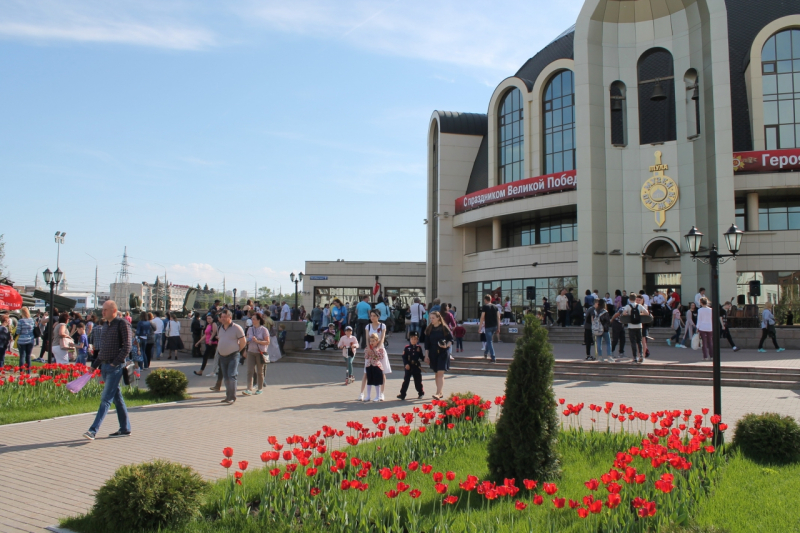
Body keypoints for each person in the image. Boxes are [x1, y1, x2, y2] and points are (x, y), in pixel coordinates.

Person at [83, 300, 133, 440]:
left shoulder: (122, 324)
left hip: (114, 367)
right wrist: (94, 365)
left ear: (114, 311)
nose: (103, 312)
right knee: (117, 398)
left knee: (106, 398)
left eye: (105, 309)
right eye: (103, 309)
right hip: (104, 366)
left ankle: (93, 430)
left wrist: (115, 363)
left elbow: (127, 346)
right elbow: (103, 349)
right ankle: (125, 428)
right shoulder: (105, 325)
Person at [215, 309, 246, 404]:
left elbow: (243, 341)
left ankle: (232, 397)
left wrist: (238, 350)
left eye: (225, 317)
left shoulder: (237, 328)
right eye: (222, 317)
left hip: (233, 355)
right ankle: (228, 396)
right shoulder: (220, 328)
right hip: (222, 356)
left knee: (231, 375)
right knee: (226, 377)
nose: (223, 319)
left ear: (230, 317)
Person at [359, 310, 392, 401]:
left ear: (378, 316)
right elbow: (367, 338)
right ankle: (362, 393)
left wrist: (377, 348)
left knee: (382, 372)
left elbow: (382, 338)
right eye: (371, 316)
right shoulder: (368, 326)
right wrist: (369, 348)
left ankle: (381, 393)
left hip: (379, 350)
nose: (372, 317)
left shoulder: (382, 326)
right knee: (366, 372)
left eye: (374, 316)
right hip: (370, 351)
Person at [424, 311, 452, 400]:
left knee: (440, 373)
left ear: (438, 318)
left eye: (433, 318)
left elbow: (451, 340)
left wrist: (446, 346)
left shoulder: (444, 328)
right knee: (436, 374)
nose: (431, 320)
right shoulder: (429, 329)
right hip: (433, 353)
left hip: (443, 353)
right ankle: (440, 392)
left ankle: (438, 393)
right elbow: (427, 344)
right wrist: (426, 355)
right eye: (430, 318)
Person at [243, 312, 270, 396]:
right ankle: (249, 388)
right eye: (252, 319)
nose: (252, 320)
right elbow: (247, 338)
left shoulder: (264, 330)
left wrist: (257, 341)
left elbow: (267, 342)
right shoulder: (250, 329)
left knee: (260, 371)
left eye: (254, 319)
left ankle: (260, 388)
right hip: (251, 351)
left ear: (258, 320)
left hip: (260, 352)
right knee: (250, 371)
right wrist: (247, 342)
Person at [620, 295, 649, 364]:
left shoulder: (628, 306)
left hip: (631, 326)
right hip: (639, 326)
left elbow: (624, 313)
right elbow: (647, 313)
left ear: (629, 299)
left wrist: (629, 315)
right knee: (639, 341)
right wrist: (639, 314)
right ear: (635, 299)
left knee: (633, 342)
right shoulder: (639, 306)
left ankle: (634, 357)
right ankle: (641, 355)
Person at [397, 331, 424, 400]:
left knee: (418, 381)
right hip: (408, 367)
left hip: (416, 366)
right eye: (412, 339)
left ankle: (421, 393)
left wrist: (426, 359)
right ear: (410, 339)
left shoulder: (419, 348)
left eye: (415, 339)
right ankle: (402, 394)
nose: (413, 340)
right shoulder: (407, 348)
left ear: (417, 340)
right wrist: (406, 364)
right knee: (406, 380)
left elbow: (421, 356)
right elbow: (404, 357)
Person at [363, 334, 386, 402]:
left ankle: (378, 396)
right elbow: (366, 357)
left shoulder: (380, 349)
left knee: (377, 382)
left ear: (377, 341)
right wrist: (367, 352)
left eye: (373, 341)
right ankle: (368, 396)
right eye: (371, 341)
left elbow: (381, 357)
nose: (372, 342)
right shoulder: (368, 348)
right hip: (369, 365)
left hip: (376, 366)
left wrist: (376, 351)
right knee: (369, 381)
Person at [479, 294, 501, 362]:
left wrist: (480, 328)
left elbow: (482, 317)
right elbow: (498, 317)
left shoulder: (485, 307)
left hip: (488, 327)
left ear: (485, 300)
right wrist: (498, 327)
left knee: (489, 341)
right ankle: (485, 353)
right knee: (489, 340)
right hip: (494, 326)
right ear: (491, 299)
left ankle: (493, 357)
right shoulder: (495, 307)